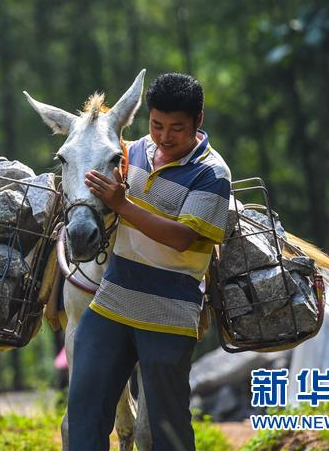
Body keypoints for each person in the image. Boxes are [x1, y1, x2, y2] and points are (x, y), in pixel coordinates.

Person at [68, 72, 231, 450]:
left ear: (198, 122)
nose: (164, 136)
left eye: (177, 128)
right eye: (157, 125)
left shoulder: (213, 174)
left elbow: (183, 238)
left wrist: (121, 204)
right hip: (110, 304)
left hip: (168, 314)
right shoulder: (131, 151)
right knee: (84, 409)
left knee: (165, 428)